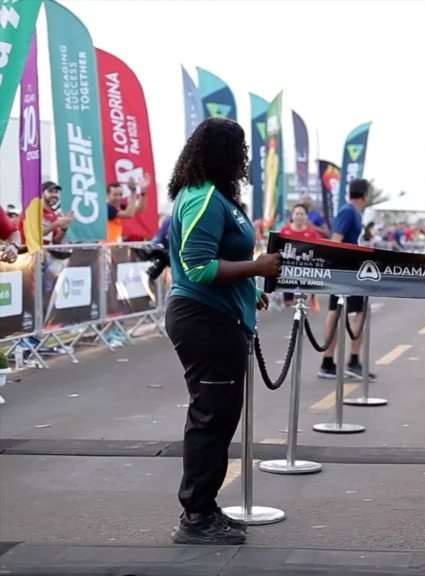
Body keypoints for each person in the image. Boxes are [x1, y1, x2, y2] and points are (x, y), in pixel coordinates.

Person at [164, 117, 281, 545]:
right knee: (210, 417)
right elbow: (198, 266)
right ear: (225, 153)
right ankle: (195, 516)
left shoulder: (215, 197)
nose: (244, 161)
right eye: (240, 151)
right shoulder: (203, 197)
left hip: (220, 317)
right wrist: (257, 268)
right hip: (203, 320)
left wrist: (248, 290)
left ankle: (206, 507)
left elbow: (218, 264)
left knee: (219, 416)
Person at [319, 179, 374, 381]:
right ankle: (349, 361)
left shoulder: (353, 213)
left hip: (349, 270)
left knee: (343, 312)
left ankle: (332, 362)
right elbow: (336, 240)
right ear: (365, 195)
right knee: (350, 313)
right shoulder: (348, 212)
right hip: (345, 271)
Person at [106, 176, 149, 243]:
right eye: (115, 195)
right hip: (104, 247)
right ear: (107, 195)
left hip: (114, 246)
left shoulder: (118, 207)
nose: (119, 198)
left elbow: (140, 209)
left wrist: (143, 191)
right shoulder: (107, 208)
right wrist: (133, 191)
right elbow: (129, 214)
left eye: (120, 195)